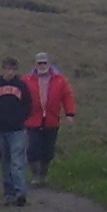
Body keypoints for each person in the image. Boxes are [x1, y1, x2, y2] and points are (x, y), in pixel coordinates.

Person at [0, 56, 33, 206]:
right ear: (3, 69)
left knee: (17, 162)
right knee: (4, 161)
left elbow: (28, 107)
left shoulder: (21, 86)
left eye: (13, 69)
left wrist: (18, 120)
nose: (10, 72)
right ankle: (9, 193)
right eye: (7, 69)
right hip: (0, 129)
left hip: (17, 130)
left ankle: (20, 192)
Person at [25, 52, 77, 187]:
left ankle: (43, 174)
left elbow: (67, 96)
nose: (42, 65)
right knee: (33, 148)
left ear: (49, 64)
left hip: (51, 119)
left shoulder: (60, 80)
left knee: (48, 149)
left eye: (44, 63)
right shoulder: (27, 79)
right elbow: (21, 97)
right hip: (32, 119)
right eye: (39, 63)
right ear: (35, 64)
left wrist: (70, 114)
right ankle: (35, 175)